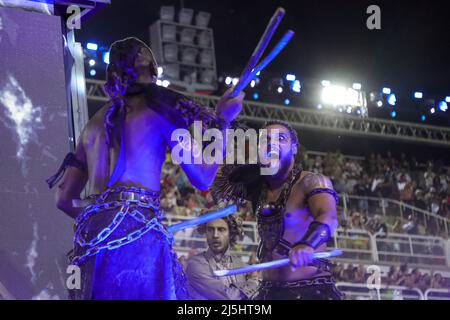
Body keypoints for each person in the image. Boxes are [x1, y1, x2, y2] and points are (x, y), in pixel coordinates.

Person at [46, 37, 244, 299]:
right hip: (138, 242)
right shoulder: (160, 112)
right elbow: (204, 177)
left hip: (90, 244)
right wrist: (223, 121)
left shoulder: (92, 126)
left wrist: (104, 214)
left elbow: (63, 199)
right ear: (150, 67)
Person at [212, 120, 343, 300]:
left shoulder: (311, 181)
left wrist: (307, 244)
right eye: (265, 140)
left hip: (312, 292)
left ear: (294, 148)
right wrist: (224, 122)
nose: (271, 144)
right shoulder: (259, 187)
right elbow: (217, 182)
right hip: (269, 292)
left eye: (280, 139)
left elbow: (328, 216)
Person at [185, 211, 256, 299]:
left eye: (221, 229)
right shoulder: (195, 264)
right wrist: (253, 282)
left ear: (230, 234)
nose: (215, 235)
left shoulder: (239, 264)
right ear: (205, 232)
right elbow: (229, 297)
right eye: (210, 229)